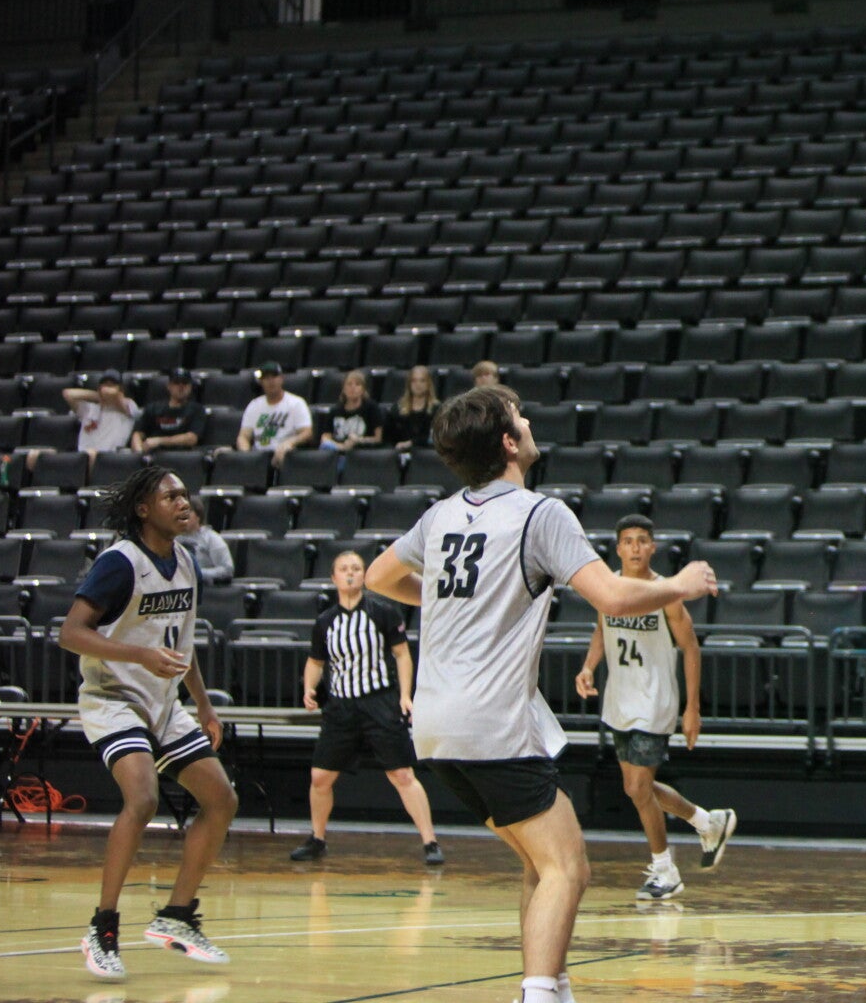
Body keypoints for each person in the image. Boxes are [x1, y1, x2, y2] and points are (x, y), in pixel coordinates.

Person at [364, 384, 716, 1003]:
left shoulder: (440, 515)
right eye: (519, 417)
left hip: (436, 729)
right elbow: (612, 597)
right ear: (508, 442)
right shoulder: (540, 513)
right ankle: (539, 992)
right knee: (568, 867)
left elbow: (377, 576)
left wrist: (450, 601)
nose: (528, 422)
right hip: (492, 722)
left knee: (538, 861)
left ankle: (551, 984)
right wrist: (680, 585)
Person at [58, 467, 237, 982]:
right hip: (113, 697)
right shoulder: (120, 563)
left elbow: (181, 644)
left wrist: (204, 706)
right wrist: (138, 654)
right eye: (170, 496)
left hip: (163, 702)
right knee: (142, 798)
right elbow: (70, 632)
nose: (184, 503)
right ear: (143, 509)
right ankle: (102, 927)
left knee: (222, 799)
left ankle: (176, 916)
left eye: (185, 495)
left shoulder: (186, 561)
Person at [572, 514, 737, 900]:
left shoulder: (667, 594)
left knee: (637, 786)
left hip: (655, 701)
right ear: (618, 549)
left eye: (642, 540)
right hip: (619, 700)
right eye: (627, 541)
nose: (635, 547)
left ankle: (665, 870)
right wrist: (589, 666)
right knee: (637, 789)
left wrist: (692, 708)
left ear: (652, 547)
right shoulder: (609, 588)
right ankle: (707, 822)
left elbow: (691, 647)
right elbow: (601, 629)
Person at [290, 550, 442, 866]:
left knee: (402, 774)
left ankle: (430, 842)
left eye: (356, 568)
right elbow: (316, 661)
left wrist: (405, 695)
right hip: (341, 706)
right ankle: (317, 839)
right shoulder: (325, 622)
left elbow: (402, 654)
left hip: (379, 702)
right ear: (333, 578)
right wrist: (308, 688)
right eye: (344, 569)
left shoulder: (383, 612)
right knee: (320, 777)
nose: (350, 573)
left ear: (364, 576)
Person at [35, 370, 139, 472]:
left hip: (108, 458)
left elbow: (116, 397)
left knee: (91, 455)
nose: (107, 389)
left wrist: (110, 394)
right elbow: (68, 394)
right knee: (35, 455)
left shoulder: (129, 407)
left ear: (121, 390)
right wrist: (98, 396)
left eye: (112, 385)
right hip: (80, 455)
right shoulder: (90, 409)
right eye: (105, 384)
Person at [234, 362, 313, 468]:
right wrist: (247, 455)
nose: (271, 381)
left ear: (281, 378)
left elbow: (307, 433)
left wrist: (290, 443)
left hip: (285, 455)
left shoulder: (296, 403)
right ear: (261, 382)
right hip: (259, 456)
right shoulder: (254, 405)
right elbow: (243, 436)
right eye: (266, 378)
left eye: (274, 376)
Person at [131, 368, 208, 454]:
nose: (181, 387)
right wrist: (139, 453)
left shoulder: (197, 410)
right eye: (176, 383)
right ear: (169, 386)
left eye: (185, 383)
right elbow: (138, 434)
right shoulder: (153, 408)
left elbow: (191, 438)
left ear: (190, 387)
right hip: (155, 455)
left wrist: (159, 441)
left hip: (182, 455)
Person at [317, 369, 386, 452]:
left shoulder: (372, 408)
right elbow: (326, 437)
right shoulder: (335, 410)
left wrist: (359, 441)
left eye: (357, 384)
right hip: (338, 451)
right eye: (349, 384)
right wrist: (341, 447)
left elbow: (378, 439)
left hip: (362, 452)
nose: (353, 388)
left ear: (363, 389)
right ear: (343, 389)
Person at [179, 497, 234, 587]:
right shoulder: (170, 539)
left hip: (205, 589)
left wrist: (198, 573)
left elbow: (227, 570)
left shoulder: (212, 538)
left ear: (198, 516)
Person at [389, 365, 439, 451]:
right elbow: (389, 437)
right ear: (409, 384)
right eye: (414, 381)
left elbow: (435, 437)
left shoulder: (437, 409)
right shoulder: (397, 408)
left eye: (422, 381)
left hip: (428, 453)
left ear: (428, 384)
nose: (418, 384)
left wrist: (411, 443)